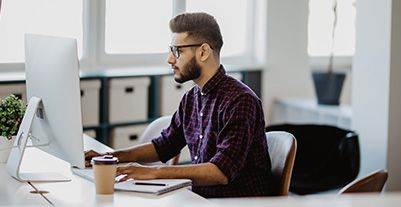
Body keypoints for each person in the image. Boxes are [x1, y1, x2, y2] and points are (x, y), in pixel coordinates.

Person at [85, 12, 275, 198]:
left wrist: (154, 172)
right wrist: (111, 158)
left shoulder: (240, 101)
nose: (170, 59)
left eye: (178, 51)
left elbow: (221, 172)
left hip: (238, 203)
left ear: (203, 52)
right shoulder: (191, 98)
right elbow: (165, 146)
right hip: (201, 199)